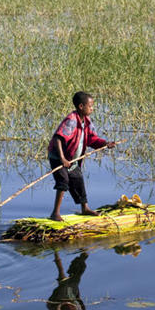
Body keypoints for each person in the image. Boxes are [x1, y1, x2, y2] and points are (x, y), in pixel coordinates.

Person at [48, 91, 115, 221]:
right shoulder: (71, 120)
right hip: (58, 157)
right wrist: (62, 158)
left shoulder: (87, 121)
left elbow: (92, 139)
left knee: (77, 179)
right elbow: (58, 139)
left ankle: (85, 208)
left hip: (72, 159)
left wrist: (105, 144)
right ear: (81, 106)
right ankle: (55, 213)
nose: (92, 108)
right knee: (63, 181)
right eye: (90, 106)